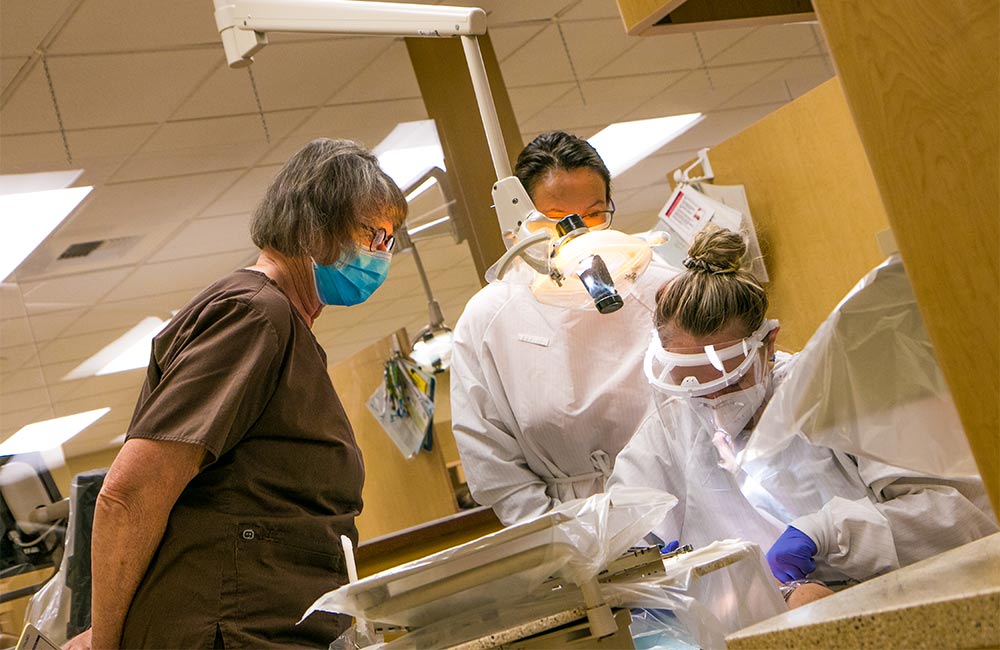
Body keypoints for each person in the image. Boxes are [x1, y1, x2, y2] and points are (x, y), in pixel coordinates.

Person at [65, 139, 407, 649]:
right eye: (370, 233)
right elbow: (129, 493)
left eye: (389, 239)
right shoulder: (252, 316)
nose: (380, 253)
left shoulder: (286, 328)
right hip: (226, 630)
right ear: (314, 223)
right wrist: (103, 642)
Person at [607, 225, 998, 607]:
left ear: (768, 344)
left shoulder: (838, 388)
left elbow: (963, 515)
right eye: (693, 386)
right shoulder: (669, 429)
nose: (712, 402)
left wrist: (829, 533)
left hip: (903, 606)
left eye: (728, 385)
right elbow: (619, 539)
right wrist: (648, 574)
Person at [450, 131, 678, 526]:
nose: (580, 234)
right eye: (558, 221)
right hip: (570, 526)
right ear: (520, 224)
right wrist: (576, 543)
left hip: (682, 498)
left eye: (594, 215)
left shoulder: (663, 287)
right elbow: (494, 466)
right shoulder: (488, 319)